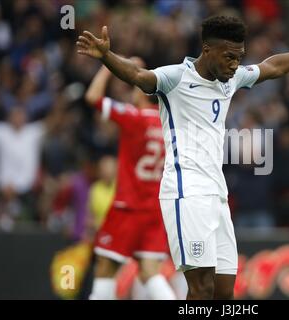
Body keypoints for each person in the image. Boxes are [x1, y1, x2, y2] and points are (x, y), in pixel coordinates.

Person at [77, 15, 289, 300]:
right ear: (207, 50)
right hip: (186, 192)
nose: (235, 64)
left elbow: (273, 67)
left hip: (217, 194)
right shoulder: (176, 78)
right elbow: (137, 75)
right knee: (201, 287)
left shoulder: (230, 79)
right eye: (229, 57)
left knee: (224, 290)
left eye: (239, 57)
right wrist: (107, 57)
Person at [85, 60, 175, 300]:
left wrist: (107, 65)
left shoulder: (134, 117)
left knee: (106, 267)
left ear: (143, 92)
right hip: (155, 209)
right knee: (150, 272)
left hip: (127, 206)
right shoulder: (169, 125)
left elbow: (93, 97)